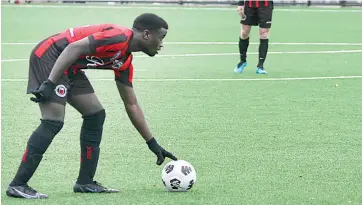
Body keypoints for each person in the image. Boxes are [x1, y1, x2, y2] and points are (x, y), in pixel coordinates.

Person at [6, 13, 177, 199]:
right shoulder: (118, 36)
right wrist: (49, 82)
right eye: (161, 37)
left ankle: (85, 182)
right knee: (53, 121)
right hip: (51, 55)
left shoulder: (125, 61)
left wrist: (152, 143)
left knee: (95, 114)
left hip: (70, 66)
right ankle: (18, 185)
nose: (161, 44)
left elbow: (131, 104)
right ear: (146, 34)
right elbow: (73, 47)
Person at [234, 0, 274, 74]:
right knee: (244, 33)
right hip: (249, 4)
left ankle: (260, 66)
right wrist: (240, 4)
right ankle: (242, 61)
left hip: (265, 5)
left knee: (264, 34)